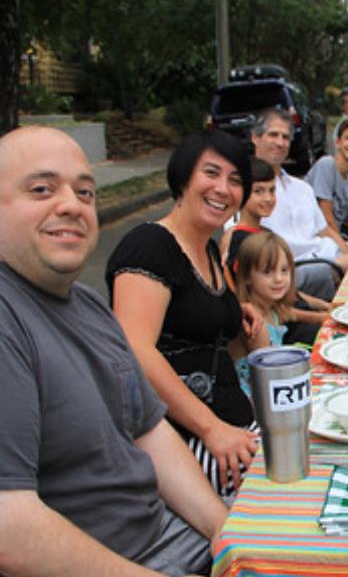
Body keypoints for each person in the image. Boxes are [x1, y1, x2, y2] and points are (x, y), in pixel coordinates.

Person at [0, 126, 228, 575]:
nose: (71, 205)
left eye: (85, 192)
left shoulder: (86, 303)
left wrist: (227, 535)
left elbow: (149, 431)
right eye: (42, 189)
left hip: (165, 534)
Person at [107, 130, 265, 498]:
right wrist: (212, 429)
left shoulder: (207, 250)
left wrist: (236, 313)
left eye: (235, 180)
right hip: (184, 440)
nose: (223, 189)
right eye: (211, 173)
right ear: (182, 177)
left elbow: (203, 326)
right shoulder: (149, 246)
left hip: (234, 420)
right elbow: (136, 350)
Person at [220, 156, 332, 343]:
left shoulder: (266, 232)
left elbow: (292, 293)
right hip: (282, 330)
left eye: (272, 191)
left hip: (295, 313)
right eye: (258, 191)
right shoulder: (243, 242)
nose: (268, 198)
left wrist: (323, 305)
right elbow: (271, 308)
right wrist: (320, 317)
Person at [251, 107, 348, 302]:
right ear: (256, 138)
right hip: (292, 270)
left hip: (327, 256)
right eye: (273, 135)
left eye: (285, 137)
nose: (280, 142)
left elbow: (325, 230)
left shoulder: (302, 188)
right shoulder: (247, 189)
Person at [233, 231, 319, 396]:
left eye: (284, 270)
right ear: (247, 277)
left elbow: (291, 313)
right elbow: (268, 379)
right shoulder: (255, 323)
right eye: (267, 272)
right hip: (258, 398)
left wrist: (324, 315)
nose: (279, 278)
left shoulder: (271, 308)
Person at [307, 118, 348, 250]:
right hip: (315, 241)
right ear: (338, 142)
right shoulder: (326, 165)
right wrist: (345, 250)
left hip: (335, 242)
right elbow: (327, 220)